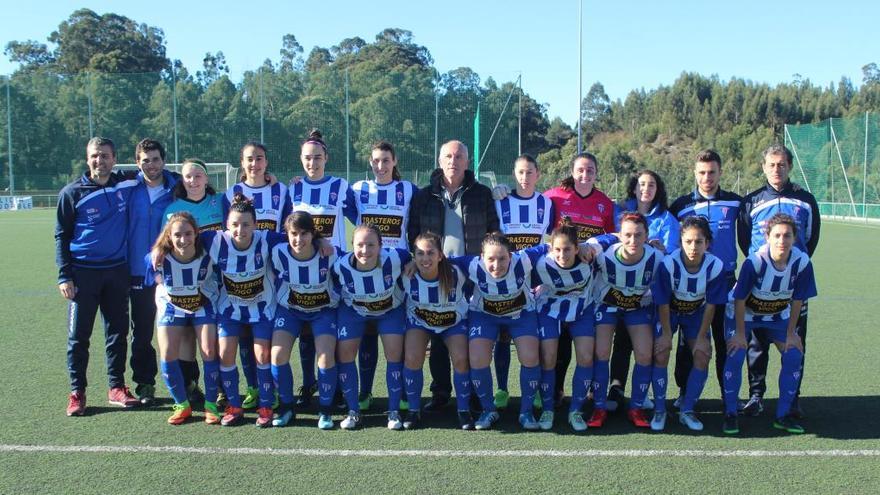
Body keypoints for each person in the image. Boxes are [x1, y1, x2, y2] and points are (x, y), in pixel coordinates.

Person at [407, 140, 499, 411]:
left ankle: (470, 390)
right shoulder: (424, 196)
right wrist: (419, 260)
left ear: (467, 162)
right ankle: (440, 392)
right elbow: (413, 232)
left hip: (471, 274)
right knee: (437, 334)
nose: (453, 161)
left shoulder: (482, 193)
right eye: (448, 156)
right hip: (436, 274)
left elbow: (493, 231)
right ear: (439, 160)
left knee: (468, 336)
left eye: (459, 156)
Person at [57, 137, 140, 416]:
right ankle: (77, 392)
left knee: (117, 333)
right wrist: (64, 276)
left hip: (117, 271)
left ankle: (116, 387)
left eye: (105, 156)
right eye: (94, 156)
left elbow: (160, 173)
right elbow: (61, 236)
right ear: (87, 158)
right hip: (83, 274)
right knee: (79, 337)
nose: (99, 161)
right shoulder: (72, 193)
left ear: (114, 159)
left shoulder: (126, 183)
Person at [737, 143, 820, 418]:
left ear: (790, 167)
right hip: (759, 289)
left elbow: (811, 239)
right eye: (771, 164)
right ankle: (756, 395)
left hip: (792, 286)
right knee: (757, 344)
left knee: (795, 339)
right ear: (763, 167)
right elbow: (745, 241)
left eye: (782, 164)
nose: (777, 169)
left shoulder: (806, 200)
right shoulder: (751, 201)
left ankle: (792, 397)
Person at [721, 213, 817, 435]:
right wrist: (740, 335)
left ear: (795, 238)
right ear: (767, 237)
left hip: (776, 316)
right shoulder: (754, 262)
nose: (782, 241)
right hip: (743, 314)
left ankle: (783, 416)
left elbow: (797, 300)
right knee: (736, 354)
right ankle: (730, 414)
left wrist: (792, 333)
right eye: (777, 235)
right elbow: (739, 299)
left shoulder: (801, 263)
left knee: (794, 354)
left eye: (787, 236)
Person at [287, 130, 359, 410]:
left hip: (334, 271)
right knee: (306, 330)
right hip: (302, 270)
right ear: (301, 159)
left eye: (317, 157)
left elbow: (361, 219)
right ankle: (308, 384)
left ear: (326, 158)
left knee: (335, 332)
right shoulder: (292, 189)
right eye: (307, 158)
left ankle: (338, 386)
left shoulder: (341, 186)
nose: (312, 162)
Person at [449, 232, 545, 431]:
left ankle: (526, 412)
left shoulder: (524, 259)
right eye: (490, 259)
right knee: (477, 359)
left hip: (521, 314)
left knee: (529, 357)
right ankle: (488, 409)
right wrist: (413, 263)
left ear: (511, 255)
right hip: (485, 315)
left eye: (502, 258)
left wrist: (588, 247)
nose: (497, 264)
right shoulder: (472, 264)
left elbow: (550, 246)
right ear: (481, 257)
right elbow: (442, 261)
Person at [202, 193, 284, 427]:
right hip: (230, 310)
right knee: (225, 353)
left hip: (263, 309)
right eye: (235, 224)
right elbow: (179, 240)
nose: (240, 229)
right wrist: (155, 254)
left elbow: (300, 236)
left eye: (246, 224)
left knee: (263, 355)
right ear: (226, 225)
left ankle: (266, 405)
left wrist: (320, 242)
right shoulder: (214, 240)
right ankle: (234, 405)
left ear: (255, 225)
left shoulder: (267, 239)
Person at [541, 153, 615, 407]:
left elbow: (615, 236)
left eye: (590, 171)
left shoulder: (604, 202)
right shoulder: (553, 197)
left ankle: (590, 391)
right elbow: (541, 231)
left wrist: (590, 243)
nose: (585, 175)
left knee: (588, 342)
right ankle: (556, 390)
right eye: (580, 170)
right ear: (572, 172)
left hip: (589, 286)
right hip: (558, 284)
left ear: (596, 173)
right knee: (559, 344)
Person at [668, 150, 741, 404]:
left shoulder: (735, 203)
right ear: (695, 173)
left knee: (724, 342)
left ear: (720, 172)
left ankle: (727, 395)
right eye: (702, 172)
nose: (707, 177)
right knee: (687, 342)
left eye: (712, 172)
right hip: (689, 283)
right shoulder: (680, 205)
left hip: (726, 280)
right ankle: (684, 392)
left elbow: (746, 236)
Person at [223, 142, 288, 411]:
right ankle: (252, 388)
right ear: (242, 163)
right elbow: (225, 234)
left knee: (266, 337)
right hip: (240, 276)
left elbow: (288, 229)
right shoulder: (231, 193)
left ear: (266, 161)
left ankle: (270, 389)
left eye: (259, 158)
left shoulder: (280, 190)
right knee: (245, 337)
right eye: (249, 159)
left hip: (270, 275)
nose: (255, 164)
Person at [607, 169, 679, 410]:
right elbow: (609, 241)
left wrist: (659, 249)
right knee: (619, 341)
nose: (646, 189)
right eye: (641, 184)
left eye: (651, 185)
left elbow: (669, 258)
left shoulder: (667, 219)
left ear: (658, 190)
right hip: (617, 289)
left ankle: (641, 392)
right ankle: (614, 388)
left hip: (646, 294)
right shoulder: (619, 212)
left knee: (642, 344)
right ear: (634, 188)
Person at [650, 216, 727, 431]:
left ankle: (687, 409)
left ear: (707, 243)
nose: (693, 247)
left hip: (696, 313)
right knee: (661, 352)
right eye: (688, 241)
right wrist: (666, 334)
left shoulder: (715, 266)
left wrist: (702, 337)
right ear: (681, 242)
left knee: (702, 355)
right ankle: (659, 409)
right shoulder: (669, 264)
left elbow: (711, 304)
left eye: (699, 242)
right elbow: (663, 302)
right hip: (670, 312)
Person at [588, 212, 663, 429]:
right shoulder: (605, 254)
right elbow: (590, 244)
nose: (632, 240)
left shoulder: (656, 257)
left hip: (636, 309)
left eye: (638, 235)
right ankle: (599, 407)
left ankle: (636, 407)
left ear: (647, 236)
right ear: (619, 235)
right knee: (601, 352)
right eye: (627, 235)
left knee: (644, 354)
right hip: (606, 306)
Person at [333, 224, 411, 430]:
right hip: (354, 311)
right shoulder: (341, 265)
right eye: (360, 245)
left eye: (371, 245)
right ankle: (353, 411)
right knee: (345, 353)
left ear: (380, 246)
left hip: (390, 310)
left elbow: (409, 256)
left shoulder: (395, 258)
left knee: (394, 353)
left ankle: (393, 411)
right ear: (352, 245)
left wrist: (411, 263)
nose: (365, 250)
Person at [145, 212, 220, 425]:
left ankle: (211, 405)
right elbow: (148, 269)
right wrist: (156, 265)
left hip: (202, 306)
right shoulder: (160, 256)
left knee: (209, 351)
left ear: (196, 233)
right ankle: (182, 405)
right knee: (168, 354)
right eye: (177, 235)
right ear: (169, 235)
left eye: (188, 234)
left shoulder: (208, 252)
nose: (183, 239)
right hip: (172, 307)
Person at [491, 154, 553, 410]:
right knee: (503, 337)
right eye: (520, 173)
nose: (525, 178)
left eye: (530, 172)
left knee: (532, 338)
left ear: (538, 174)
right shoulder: (500, 201)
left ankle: (535, 388)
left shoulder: (546, 203)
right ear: (513, 175)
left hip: (535, 282)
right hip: (505, 280)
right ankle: (502, 389)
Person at [269, 212, 341, 429]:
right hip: (290, 310)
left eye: (304, 234)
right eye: (293, 234)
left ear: (312, 234)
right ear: (286, 234)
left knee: (326, 358)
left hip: (322, 311)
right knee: (277, 355)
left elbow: (355, 260)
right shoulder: (278, 252)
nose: (298, 239)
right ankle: (286, 407)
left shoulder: (329, 253)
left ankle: (325, 410)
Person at [401, 232, 473, 429]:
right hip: (420, 321)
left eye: (431, 253)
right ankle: (413, 410)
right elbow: (387, 254)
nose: (425, 259)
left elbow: (483, 257)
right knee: (413, 357)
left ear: (440, 255)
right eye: (420, 254)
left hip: (453, 322)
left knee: (460, 358)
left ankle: (464, 410)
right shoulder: (406, 272)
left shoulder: (457, 269)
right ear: (413, 256)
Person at [127, 139, 179, 406]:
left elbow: (206, 190)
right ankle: (145, 383)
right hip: (138, 271)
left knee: (179, 331)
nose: (151, 165)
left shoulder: (177, 187)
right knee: (142, 331)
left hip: (173, 273)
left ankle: (187, 384)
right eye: (145, 160)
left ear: (164, 161)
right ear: (137, 162)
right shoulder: (127, 188)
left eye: (156, 159)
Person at [532, 218, 597, 431]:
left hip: (582, 310)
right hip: (550, 310)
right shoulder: (542, 263)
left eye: (568, 249)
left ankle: (576, 411)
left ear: (577, 248)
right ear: (551, 248)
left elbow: (613, 238)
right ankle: (548, 409)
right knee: (548, 357)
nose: (562, 254)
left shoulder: (591, 257)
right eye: (557, 249)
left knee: (586, 357)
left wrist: (591, 244)